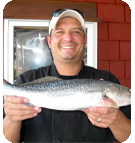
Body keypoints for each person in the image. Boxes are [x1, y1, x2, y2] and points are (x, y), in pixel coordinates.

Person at [3, 9, 131, 143]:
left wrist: (115, 118)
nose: (68, 38)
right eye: (59, 32)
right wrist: (12, 119)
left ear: (85, 39)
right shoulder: (26, 80)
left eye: (76, 31)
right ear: (49, 41)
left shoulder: (108, 79)